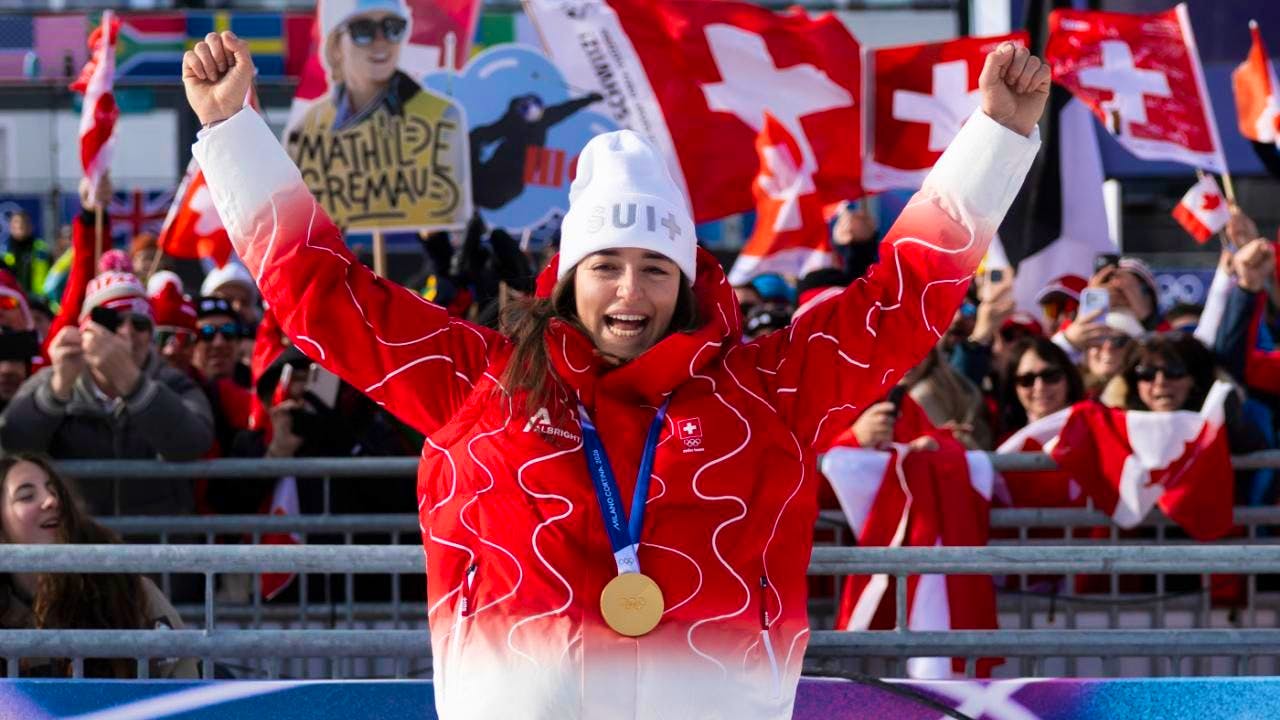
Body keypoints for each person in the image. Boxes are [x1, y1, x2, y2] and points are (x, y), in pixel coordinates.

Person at [185, 33, 1047, 719]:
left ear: (686, 280)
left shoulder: (771, 389)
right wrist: (233, 133)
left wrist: (995, 140)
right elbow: (323, 297)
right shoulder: (478, 379)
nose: (630, 292)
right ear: (567, 276)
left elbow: (897, 305)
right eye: (606, 266)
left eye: (654, 267)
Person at [0, 271, 213, 515]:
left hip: (154, 546)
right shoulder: (54, 378)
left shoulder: (174, 382)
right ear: (86, 330)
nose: (127, 332)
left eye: (140, 324)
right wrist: (56, 390)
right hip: (78, 544)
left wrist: (134, 385)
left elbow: (194, 442)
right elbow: (12, 445)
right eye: (112, 321)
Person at [0, 454, 198, 678]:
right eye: (27, 496)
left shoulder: (125, 588)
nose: (51, 501)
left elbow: (181, 681)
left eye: (54, 490)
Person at [283, 0, 469, 230]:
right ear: (336, 46)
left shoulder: (443, 117)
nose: (381, 41)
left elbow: (450, 210)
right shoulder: (307, 128)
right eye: (363, 30)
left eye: (393, 27)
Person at [2, 210, 52, 302]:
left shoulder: (40, 248)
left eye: (23, 224)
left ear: (30, 227)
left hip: (38, 301)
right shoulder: (4, 251)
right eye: (16, 224)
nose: (19, 227)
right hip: (11, 301)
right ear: (10, 227)